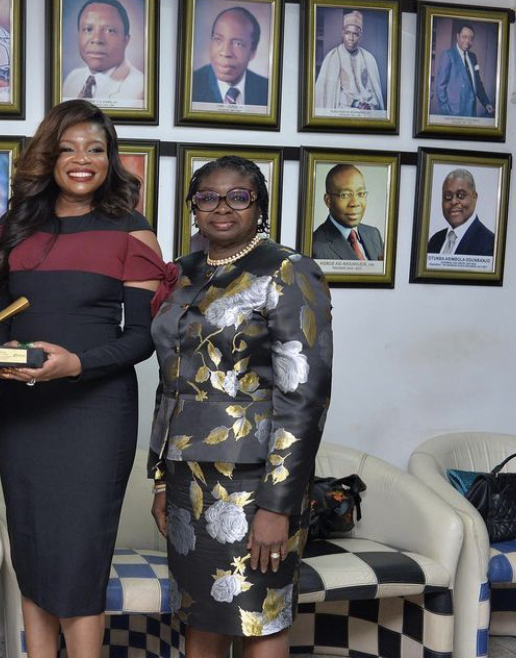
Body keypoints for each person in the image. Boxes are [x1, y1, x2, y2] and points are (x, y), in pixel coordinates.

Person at [0, 99, 170, 657]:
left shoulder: (133, 234)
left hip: (95, 417)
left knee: (78, 562)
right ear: (48, 157)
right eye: (67, 148)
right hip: (23, 415)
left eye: (95, 148)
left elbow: (144, 338)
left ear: (111, 159)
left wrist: (78, 364)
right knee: (34, 553)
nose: (81, 159)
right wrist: (1, 357)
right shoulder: (13, 228)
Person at [149, 155, 333, 658]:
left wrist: (278, 505)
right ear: (193, 207)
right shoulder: (184, 272)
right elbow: (171, 382)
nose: (221, 207)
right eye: (207, 197)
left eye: (238, 196)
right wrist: (163, 477)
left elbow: (305, 397)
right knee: (200, 613)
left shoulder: (287, 270)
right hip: (188, 474)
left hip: (255, 481)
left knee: (259, 613)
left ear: (259, 205)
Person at [60, 0, 144, 107]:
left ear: (126, 40)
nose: (97, 39)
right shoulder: (72, 79)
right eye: (88, 29)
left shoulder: (141, 88)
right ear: (78, 35)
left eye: (110, 31)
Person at [192, 6, 268, 107]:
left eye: (238, 44)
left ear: (252, 52)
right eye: (218, 39)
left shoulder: (267, 90)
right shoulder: (190, 86)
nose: (226, 52)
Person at [313, 10, 384, 112]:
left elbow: (374, 92)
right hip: (342, 109)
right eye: (347, 33)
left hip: (366, 111)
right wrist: (355, 103)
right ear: (342, 33)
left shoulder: (369, 59)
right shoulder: (332, 57)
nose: (351, 38)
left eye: (355, 34)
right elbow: (328, 94)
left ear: (360, 35)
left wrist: (369, 105)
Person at [310, 164, 384, 261]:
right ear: (328, 201)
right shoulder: (314, 247)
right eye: (344, 195)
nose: (355, 203)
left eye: (360, 194)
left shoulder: (374, 234)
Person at [427, 168, 495, 256]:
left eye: (461, 195)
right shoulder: (435, 240)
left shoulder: (490, 244)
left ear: (474, 197)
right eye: (448, 196)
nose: (454, 201)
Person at [434, 20, 494, 117]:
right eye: (464, 37)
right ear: (458, 37)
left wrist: (486, 103)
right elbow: (441, 85)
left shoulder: (473, 57)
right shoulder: (448, 55)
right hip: (453, 112)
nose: (468, 41)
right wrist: (445, 109)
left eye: (471, 38)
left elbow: (477, 83)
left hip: (470, 110)